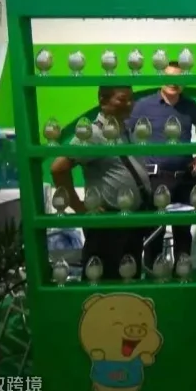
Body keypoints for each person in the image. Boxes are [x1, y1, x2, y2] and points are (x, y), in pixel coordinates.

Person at [50, 86, 153, 279]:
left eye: (131, 99)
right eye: (122, 99)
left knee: (128, 285)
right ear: (103, 101)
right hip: (108, 227)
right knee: (103, 287)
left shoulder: (126, 131)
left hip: (131, 223)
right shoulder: (93, 134)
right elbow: (58, 168)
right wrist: (79, 207)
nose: (129, 104)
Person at [129, 61, 196, 267]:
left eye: (178, 79)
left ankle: (181, 276)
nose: (173, 83)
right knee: (155, 231)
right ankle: (154, 277)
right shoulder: (144, 105)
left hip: (185, 178)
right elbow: (125, 133)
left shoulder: (190, 106)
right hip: (155, 178)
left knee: (183, 232)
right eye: (169, 77)